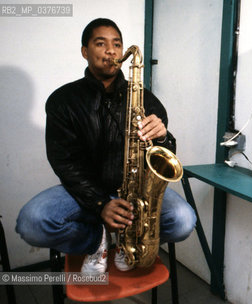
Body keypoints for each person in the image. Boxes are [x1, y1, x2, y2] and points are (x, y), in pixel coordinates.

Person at [16, 18, 196, 274]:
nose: (111, 51)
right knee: (31, 223)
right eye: (101, 44)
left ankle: (132, 242)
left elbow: (164, 157)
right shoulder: (62, 101)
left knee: (184, 221)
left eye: (117, 44)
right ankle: (95, 240)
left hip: (136, 191)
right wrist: (100, 204)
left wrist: (163, 137)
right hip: (85, 191)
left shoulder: (146, 99)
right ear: (85, 51)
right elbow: (64, 161)